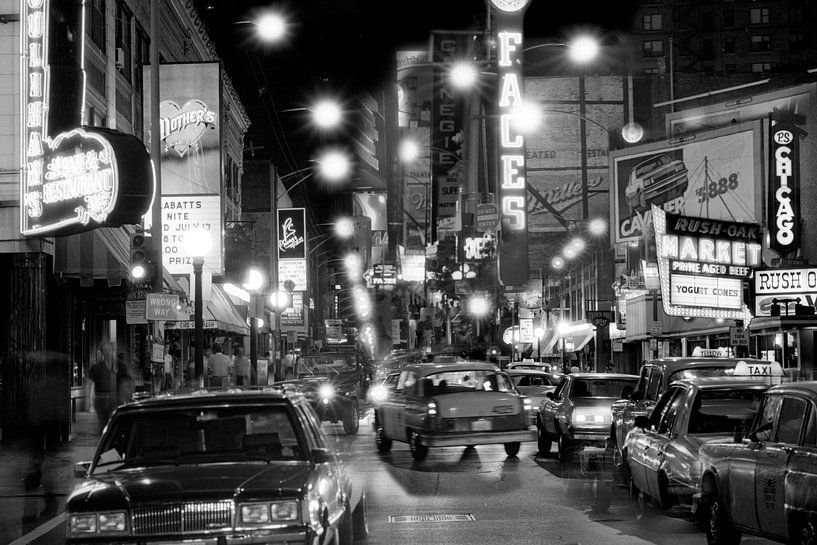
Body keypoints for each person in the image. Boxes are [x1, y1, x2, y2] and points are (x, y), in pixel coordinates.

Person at [86, 341, 115, 435]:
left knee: (113, 425)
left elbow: (126, 381)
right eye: (105, 350)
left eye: (109, 350)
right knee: (102, 425)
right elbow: (89, 383)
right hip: (100, 399)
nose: (107, 352)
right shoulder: (97, 367)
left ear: (112, 351)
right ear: (102, 352)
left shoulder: (119, 366)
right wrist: (88, 401)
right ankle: (104, 444)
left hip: (114, 399)